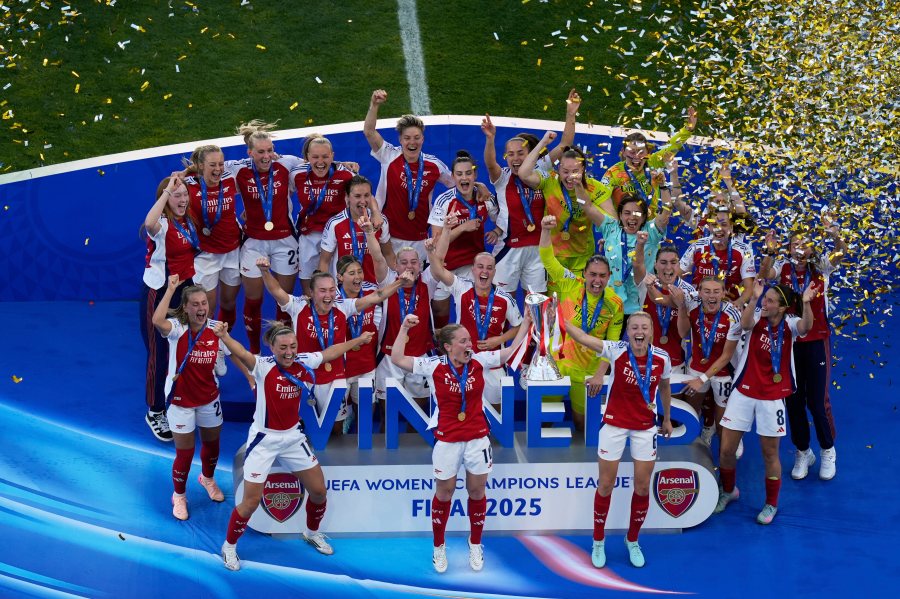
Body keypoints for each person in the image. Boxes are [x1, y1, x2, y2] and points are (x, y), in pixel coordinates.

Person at [214, 321, 375, 570]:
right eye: (283, 348)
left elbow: (332, 351)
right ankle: (229, 547)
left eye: (292, 346)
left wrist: (360, 340)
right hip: (264, 440)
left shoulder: (303, 360)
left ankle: (311, 533)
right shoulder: (263, 367)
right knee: (250, 502)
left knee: (319, 491)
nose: (289, 352)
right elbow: (243, 353)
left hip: (293, 438)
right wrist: (224, 336)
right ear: (272, 347)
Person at [390, 311, 531, 573]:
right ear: (448, 346)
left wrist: (528, 320)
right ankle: (438, 546)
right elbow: (397, 358)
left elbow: (511, 351)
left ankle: (475, 543)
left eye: (469, 340)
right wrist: (404, 329)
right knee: (444, 493)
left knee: (477, 492)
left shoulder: (479, 361)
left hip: (478, 439)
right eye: (464, 341)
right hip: (447, 441)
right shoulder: (433, 366)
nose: (470, 345)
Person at [563, 312, 674, 569]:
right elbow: (583, 338)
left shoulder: (662, 358)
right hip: (614, 425)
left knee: (643, 487)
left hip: (645, 428)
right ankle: (598, 540)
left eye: (644, 327)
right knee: (605, 484)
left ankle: (632, 539)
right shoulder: (616, 350)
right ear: (627, 332)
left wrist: (666, 418)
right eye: (634, 326)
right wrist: (560, 319)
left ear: (651, 333)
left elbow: (665, 387)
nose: (639, 331)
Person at [259, 259, 409, 432]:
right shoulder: (298, 307)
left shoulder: (342, 307)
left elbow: (377, 296)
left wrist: (399, 282)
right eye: (322, 291)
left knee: (336, 430)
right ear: (312, 292)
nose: (328, 295)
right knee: (302, 429)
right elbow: (276, 290)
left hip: (335, 378)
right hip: (305, 377)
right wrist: (265, 271)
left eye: (331, 290)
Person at [713, 280, 816, 525]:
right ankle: (728, 491)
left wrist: (806, 303)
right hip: (743, 393)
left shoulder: (790, 325)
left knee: (770, 454)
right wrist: (755, 300)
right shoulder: (757, 316)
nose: (765, 303)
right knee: (727, 449)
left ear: (782, 308)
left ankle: (771, 504)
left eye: (770, 301)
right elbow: (745, 323)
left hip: (772, 398)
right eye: (765, 299)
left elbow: (806, 326)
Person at [759, 219, 847, 480]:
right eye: (795, 243)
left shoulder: (821, 268)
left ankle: (828, 450)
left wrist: (836, 235)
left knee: (817, 402)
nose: (800, 248)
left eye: (805, 244)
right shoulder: (781, 266)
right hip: (789, 342)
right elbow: (765, 274)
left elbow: (840, 255)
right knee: (793, 401)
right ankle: (802, 451)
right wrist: (769, 251)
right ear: (788, 248)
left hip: (817, 341)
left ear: (811, 249)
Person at [481, 89, 581, 294]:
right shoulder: (503, 177)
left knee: (538, 303)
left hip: (538, 248)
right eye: (511, 154)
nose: (516, 158)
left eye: (521, 153)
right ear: (506, 157)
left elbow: (564, 144)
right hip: (508, 248)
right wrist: (490, 138)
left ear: (531, 153)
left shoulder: (541, 169)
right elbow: (490, 163)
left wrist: (570, 114)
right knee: (502, 301)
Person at [152, 275, 229, 520]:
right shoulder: (177, 328)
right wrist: (171, 289)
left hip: (208, 398)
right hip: (180, 402)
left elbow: (234, 351)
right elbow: (156, 320)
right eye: (195, 304)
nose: (201, 308)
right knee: (185, 453)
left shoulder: (216, 329)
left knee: (212, 445)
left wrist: (252, 376)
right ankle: (179, 496)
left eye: (204, 303)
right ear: (185, 307)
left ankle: (207, 479)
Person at [539, 215, 624, 431]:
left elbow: (612, 345)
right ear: (584, 274)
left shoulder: (614, 303)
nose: (597, 280)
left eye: (602, 276)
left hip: (587, 371)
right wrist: (545, 230)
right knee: (544, 420)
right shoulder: (570, 283)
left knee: (582, 424)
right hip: (557, 365)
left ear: (609, 276)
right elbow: (548, 259)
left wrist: (599, 374)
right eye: (593, 274)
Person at [427, 217, 522, 410]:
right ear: (473, 270)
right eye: (480, 267)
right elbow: (438, 270)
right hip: (464, 362)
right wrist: (431, 253)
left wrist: (499, 339)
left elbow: (520, 326)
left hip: (494, 365)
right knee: (463, 410)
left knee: (496, 413)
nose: (484, 271)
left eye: (489, 268)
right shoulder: (461, 287)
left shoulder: (505, 298)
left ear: (495, 272)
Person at [224, 122, 299, 354]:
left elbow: (318, 163)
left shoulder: (288, 163)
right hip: (253, 242)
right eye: (261, 152)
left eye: (270, 150)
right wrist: (185, 173)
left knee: (284, 300)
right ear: (250, 153)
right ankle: (255, 352)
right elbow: (209, 167)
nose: (267, 156)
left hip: (285, 239)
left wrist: (343, 164)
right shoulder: (238, 168)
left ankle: (283, 349)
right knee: (253, 298)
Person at [141, 174, 199, 441]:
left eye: (185, 194)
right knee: (160, 352)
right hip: (160, 291)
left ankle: (179, 397)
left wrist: (186, 175)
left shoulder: (188, 220)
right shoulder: (162, 224)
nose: (183, 199)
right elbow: (148, 223)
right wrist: (167, 191)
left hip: (186, 289)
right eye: (177, 195)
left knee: (185, 346)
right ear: (165, 199)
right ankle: (155, 410)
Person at [363, 89, 453, 261]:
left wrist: (478, 185)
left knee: (416, 285)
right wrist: (374, 105)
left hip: (420, 239)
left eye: (417, 137)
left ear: (423, 139)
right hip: (387, 237)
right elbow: (369, 131)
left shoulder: (434, 165)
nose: (412, 142)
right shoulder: (388, 156)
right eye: (407, 138)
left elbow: (455, 185)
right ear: (400, 140)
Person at [517, 131, 605, 282]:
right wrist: (543, 143)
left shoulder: (594, 188)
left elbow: (609, 222)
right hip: (553, 260)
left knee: (578, 304)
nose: (569, 176)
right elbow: (524, 174)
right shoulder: (550, 180)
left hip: (582, 261)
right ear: (558, 170)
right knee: (553, 304)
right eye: (565, 171)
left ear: (583, 170)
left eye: (575, 171)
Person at [669, 277, 743, 451]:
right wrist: (681, 306)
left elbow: (726, 356)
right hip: (696, 367)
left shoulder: (733, 314)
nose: (712, 295)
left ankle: (729, 444)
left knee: (723, 421)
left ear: (724, 293)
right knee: (692, 412)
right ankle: (697, 444)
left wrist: (702, 379)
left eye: (716, 291)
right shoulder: (692, 302)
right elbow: (682, 332)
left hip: (724, 372)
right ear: (699, 292)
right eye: (707, 291)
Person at [428, 150, 499, 327]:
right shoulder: (444, 200)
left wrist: (497, 231)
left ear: (475, 174)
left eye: (468, 173)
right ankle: (441, 348)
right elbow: (435, 242)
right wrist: (462, 228)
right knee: (439, 310)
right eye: (459, 174)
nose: (464, 178)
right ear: (453, 176)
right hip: (445, 266)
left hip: (471, 266)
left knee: (472, 310)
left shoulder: (485, 198)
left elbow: (503, 221)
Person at [583, 179, 674, 316]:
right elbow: (587, 207)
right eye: (627, 213)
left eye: (637, 213)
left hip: (641, 304)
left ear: (644, 217)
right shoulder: (610, 228)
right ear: (620, 215)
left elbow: (666, 210)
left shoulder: (651, 231)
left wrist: (663, 186)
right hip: (610, 303)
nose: (632, 217)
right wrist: (578, 184)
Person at [596, 106, 697, 217]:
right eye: (632, 152)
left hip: (652, 228)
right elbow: (600, 201)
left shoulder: (653, 162)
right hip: (625, 227)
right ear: (623, 152)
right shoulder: (612, 173)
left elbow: (672, 145)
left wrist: (688, 129)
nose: (637, 157)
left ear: (648, 152)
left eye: (641, 152)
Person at [184, 145, 242, 335]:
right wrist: (187, 170)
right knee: (205, 307)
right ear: (200, 166)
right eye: (212, 165)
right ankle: (205, 342)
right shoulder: (188, 184)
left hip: (232, 251)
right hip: (205, 255)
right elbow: (165, 187)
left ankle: (223, 343)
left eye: (220, 164)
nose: (218, 169)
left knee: (228, 302)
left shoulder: (230, 178)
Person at [292, 133, 360, 294]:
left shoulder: (346, 174)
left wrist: (376, 214)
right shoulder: (296, 173)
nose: (320, 162)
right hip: (309, 235)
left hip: (336, 236)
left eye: (325, 157)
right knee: (309, 282)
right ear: (307, 157)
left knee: (337, 281)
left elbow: (363, 196)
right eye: (315, 157)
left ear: (332, 156)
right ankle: (312, 316)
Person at [632, 235, 696, 372]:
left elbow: (685, 333)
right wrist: (640, 244)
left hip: (676, 362)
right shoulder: (646, 283)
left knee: (672, 394)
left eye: (673, 262)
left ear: (679, 265)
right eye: (663, 262)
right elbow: (637, 264)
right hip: (644, 359)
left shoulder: (690, 292)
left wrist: (681, 306)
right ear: (655, 265)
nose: (668, 267)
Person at [334, 255, 383, 427]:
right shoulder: (332, 298)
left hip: (365, 366)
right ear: (340, 277)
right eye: (352, 273)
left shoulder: (371, 291)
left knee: (366, 420)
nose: (358, 277)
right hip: (340, 369)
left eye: (360, 272)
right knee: (336, 428)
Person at [319, 175, 394, 283]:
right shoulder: (335, 224)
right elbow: (324, 262)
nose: (363, 201)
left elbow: (388, 255)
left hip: (375, 291)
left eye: (367, 195)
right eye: (357, 196)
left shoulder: (380, 221)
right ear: (347, 197)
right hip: (345, 292)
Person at [678, 208, 756, 308]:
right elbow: (678, 276)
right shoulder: (697, 246)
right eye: (714, 225)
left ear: (731, 227)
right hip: (698, 306)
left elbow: (749, 287)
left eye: (724, 224)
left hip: (729, 308)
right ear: (709, 227)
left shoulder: (744, 250)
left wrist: (739, 302)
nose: (719, 228)